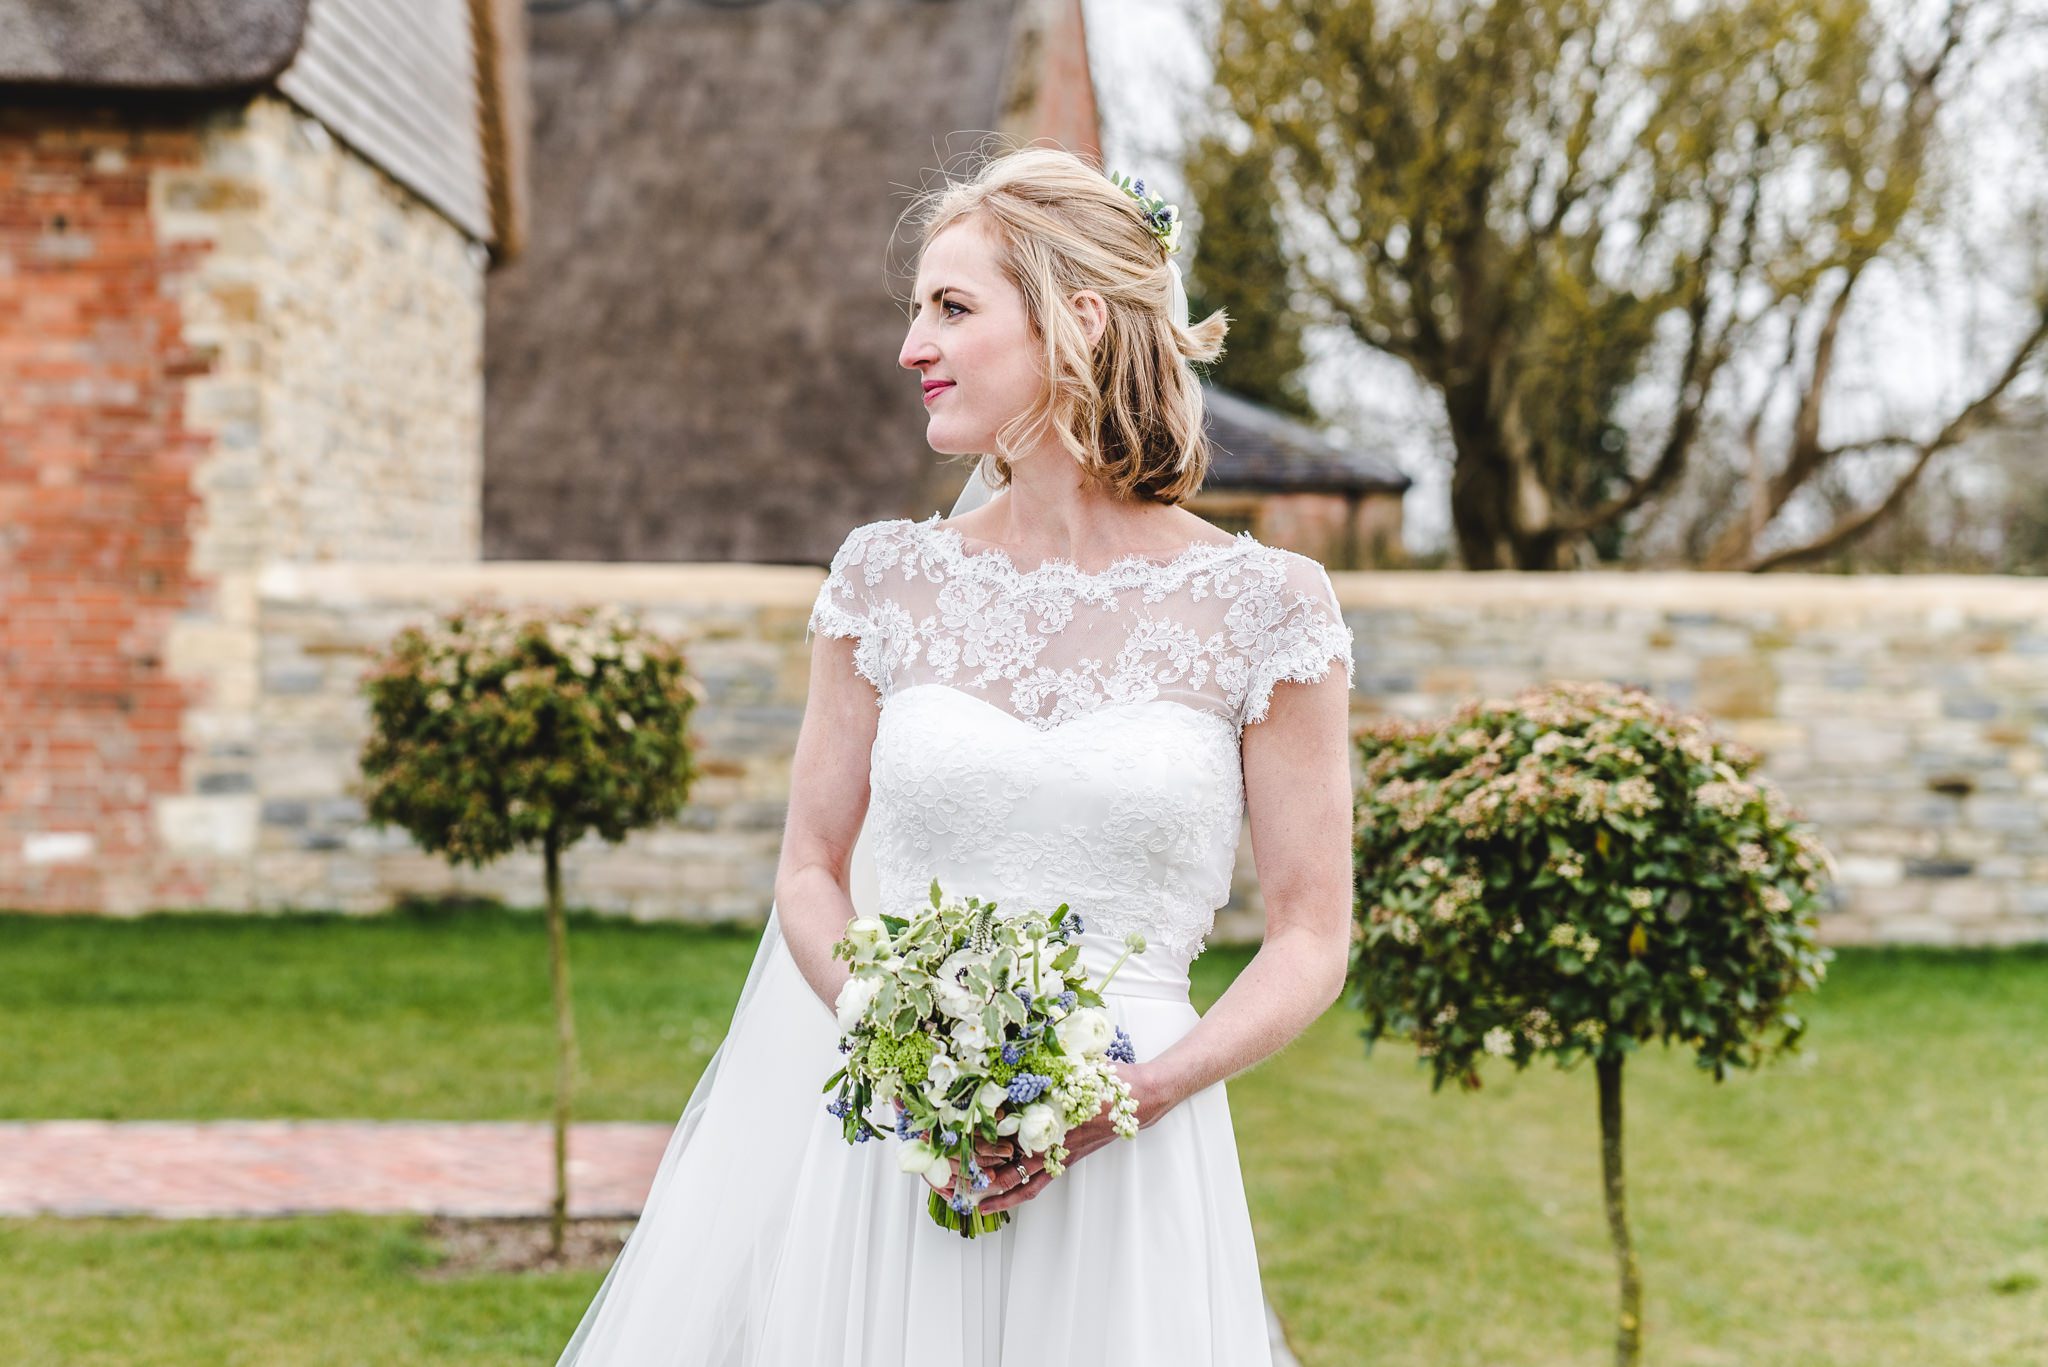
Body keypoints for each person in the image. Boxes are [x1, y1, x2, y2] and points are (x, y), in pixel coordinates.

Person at [555, 143, 1356, 1366]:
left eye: (951, 307)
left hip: (1134, 1153)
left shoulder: (1266, 607)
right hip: (899, 1150)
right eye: (916, 310)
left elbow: (1309, 933)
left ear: (1074, 321)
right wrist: (903, 1045)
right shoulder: (883, 579)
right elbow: (810, 872)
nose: (909, 347)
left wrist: (1141, 1092)